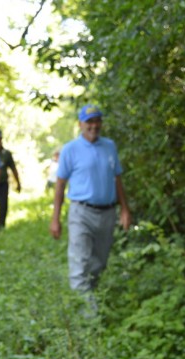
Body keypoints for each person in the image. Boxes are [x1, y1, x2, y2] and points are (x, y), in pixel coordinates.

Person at [50, 104, 131, 314]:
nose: (93, 126)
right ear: (80, 124)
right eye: (89, 122)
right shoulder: (70, 149)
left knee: (99, 263)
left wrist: (125, 209)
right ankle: (89, 318)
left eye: (97, 121)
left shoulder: (109, 146)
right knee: (79, 264)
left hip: (107, 213)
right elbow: (60, 185)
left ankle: (86, 301)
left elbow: (117, 178)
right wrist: (55, 218)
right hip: (81, 213)